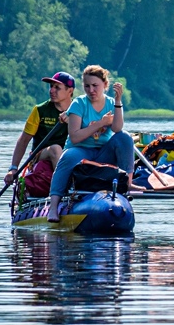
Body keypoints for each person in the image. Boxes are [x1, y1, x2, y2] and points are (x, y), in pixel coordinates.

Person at [46, 65, 136, 222]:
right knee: (68, 156)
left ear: (105, 86)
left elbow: (117, 128)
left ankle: (127, 184)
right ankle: (53, 207)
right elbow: (74, 137)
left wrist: (118, 102)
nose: (91, 90)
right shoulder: (79, 104)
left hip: (103, 152)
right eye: (87, 86)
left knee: (125, 137)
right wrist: (100, 123)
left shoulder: (110, 103)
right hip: (81, 150)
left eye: (95, 86)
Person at [5, 72, 74, 198]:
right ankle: (66, 188)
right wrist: (13, 168)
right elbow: (23, 140)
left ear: (70, 91)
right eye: (51, 87)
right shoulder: (40, 110)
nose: (52, 90)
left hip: (68, 154)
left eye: (57, 87)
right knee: (55, 149)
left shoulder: (78, 110)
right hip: (40, 154)